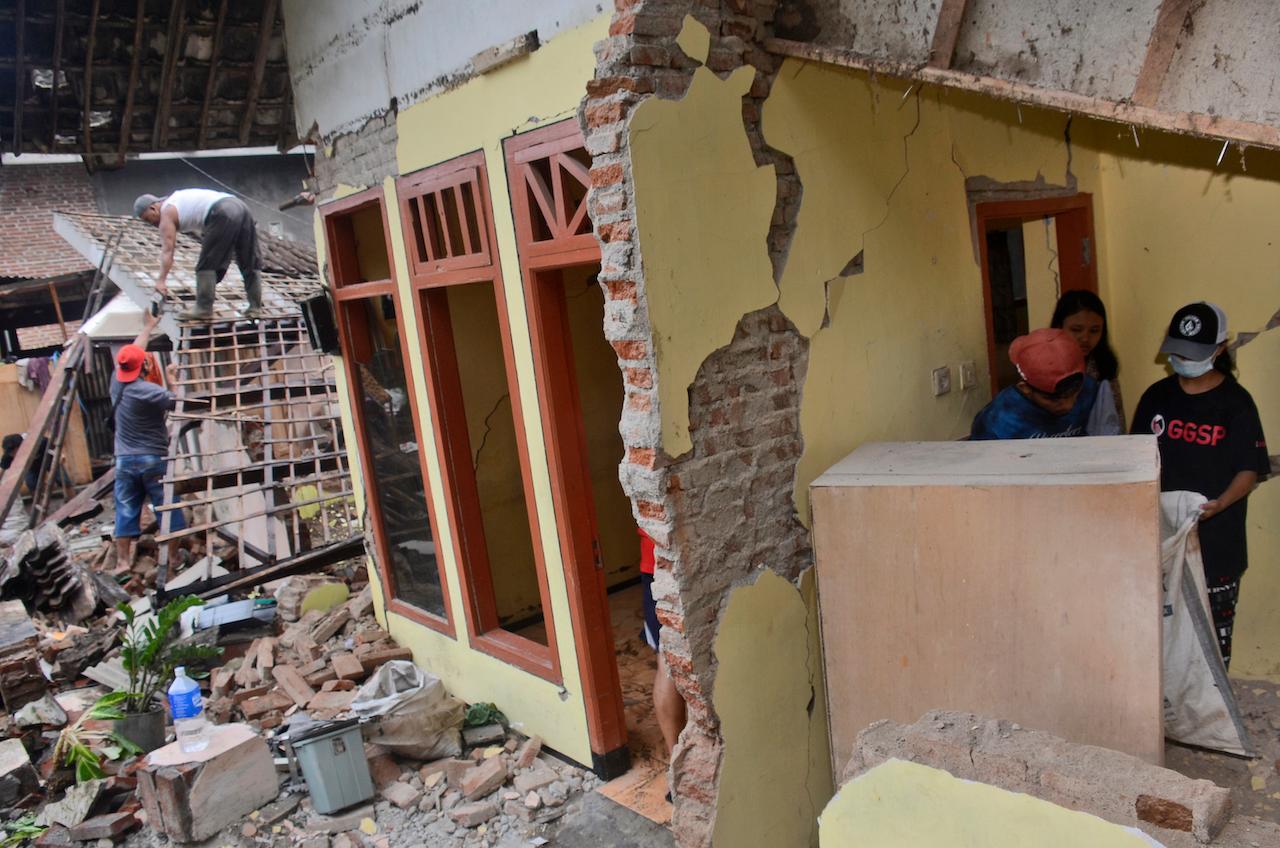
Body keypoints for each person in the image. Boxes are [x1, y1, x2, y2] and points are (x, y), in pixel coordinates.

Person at [1131, 302, 1269, 668]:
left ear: (1219, 349)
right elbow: (1135, 460)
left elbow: (1248, 470)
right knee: (1161, 640)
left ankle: (1212, 719)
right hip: (1159, 538)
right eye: (1177, 350)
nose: (1182, 358)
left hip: (1216, 542)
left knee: (1210, 645)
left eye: (1193, 353)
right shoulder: (1156, 398)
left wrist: (1220, 504)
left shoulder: (1235, 404)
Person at [112, 310, 186, 568]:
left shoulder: (116, 386)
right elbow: (181, 403)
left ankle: (122, 562)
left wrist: (147, 328)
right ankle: (172, 558)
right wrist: (174, 379)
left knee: (125, 510)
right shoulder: (151, 392)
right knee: (169, 509)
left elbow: (133, 352)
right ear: (144, 366)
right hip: (153, 459)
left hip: (124, 461)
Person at [133, 189, 263, 321]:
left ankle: (203, 309)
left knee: (206, 264)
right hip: (241, 206)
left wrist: (161, 281)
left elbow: (168, 250)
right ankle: (255, 308)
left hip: (222, 211)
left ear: (153, 208)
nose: (153, 224)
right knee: (249, 260)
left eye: (149, 219)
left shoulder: (166, 213)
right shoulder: (177, 200)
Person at [970, 327, 1098, 440]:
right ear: (1024, 388)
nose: (1068, 405)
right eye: (1054, 399)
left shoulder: (1090, 389)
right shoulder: (996, 422)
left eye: (1075, 393)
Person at [639, 528, 685, 801]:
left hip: (656, 560)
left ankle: (679, 767)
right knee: (674, 658)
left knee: (667, 658)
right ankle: (685, 766)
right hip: (663, 561)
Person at [1050, 290, 1124, 435]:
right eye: (1076, 329)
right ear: (1059, 327)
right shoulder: (1043, 363)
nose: (1085, 338)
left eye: (1094, 331)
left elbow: (1115, 422)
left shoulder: (1103, 366)